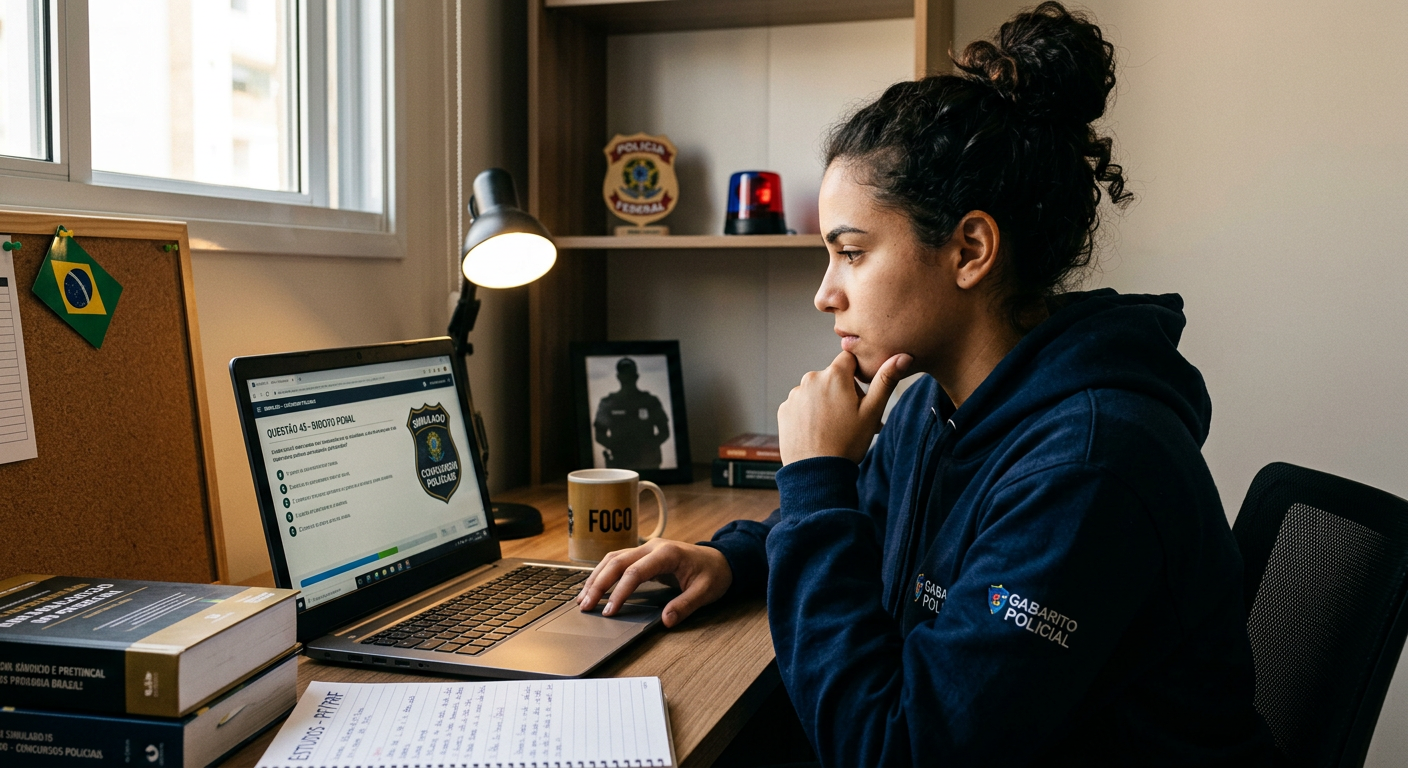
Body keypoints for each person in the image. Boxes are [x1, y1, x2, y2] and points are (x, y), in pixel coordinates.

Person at [575, 3, 1277, 765]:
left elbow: (898, 752)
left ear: (970, 249)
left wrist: (814, 479)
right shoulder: (931, 406)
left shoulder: (1088, 466)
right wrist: (735, 557)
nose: (825, 294)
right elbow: (871, 530)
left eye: (851, 253)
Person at [593, 357, 671, 469]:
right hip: (620, 464)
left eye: (630, 374)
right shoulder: (608, 403)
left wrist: (648, 447)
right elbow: (599, 435)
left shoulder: (650, 401)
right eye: (624, 374)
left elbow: (664, 432)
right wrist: (618, 447)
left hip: (648, 464)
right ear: (618, 377)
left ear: (636, 376)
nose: (627, 377)